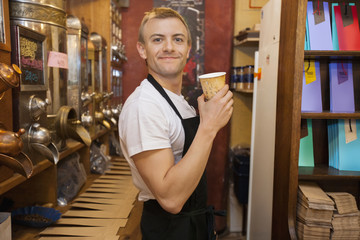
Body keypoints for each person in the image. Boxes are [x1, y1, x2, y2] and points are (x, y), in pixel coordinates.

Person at [119, 7, 233, 240]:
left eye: (177, 39)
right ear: (142, 49)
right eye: (158, 39)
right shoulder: (144, 107)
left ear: (188, 49)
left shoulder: (179, 101)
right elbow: (170, 199)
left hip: (191, 226)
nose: (169, 47)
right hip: (169, 230)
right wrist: (209, 127)